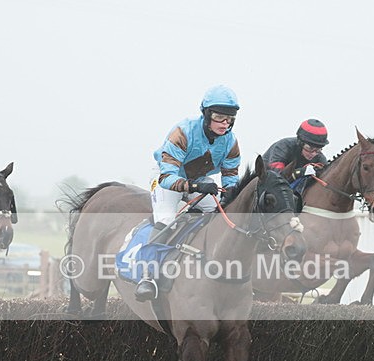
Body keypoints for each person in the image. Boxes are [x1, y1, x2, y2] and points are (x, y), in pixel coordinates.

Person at [134, 85, 241, 301]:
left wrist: (228, 194)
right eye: (219, 117)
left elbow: (231, 178)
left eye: (229, 119)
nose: (225, 124)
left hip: (198, 179)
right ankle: (147, 276)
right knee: (166, 219)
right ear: (206, 115)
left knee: (220, 216)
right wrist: (195, 187)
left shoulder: (231, 142)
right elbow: (167, 178)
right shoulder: (183, 132)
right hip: (167, 177)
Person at [262, 118, 329, 182]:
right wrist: (299, 172)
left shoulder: (319, 157)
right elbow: (276, 176)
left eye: (318, 150)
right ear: (300, 143)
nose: (314, 154)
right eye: (310, 148)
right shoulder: (282, 147)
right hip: (265, 181)